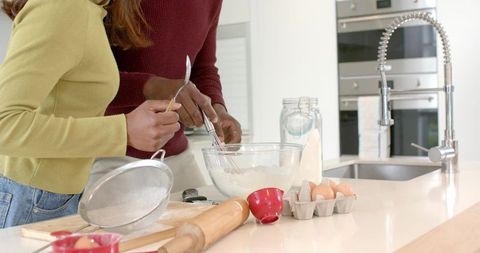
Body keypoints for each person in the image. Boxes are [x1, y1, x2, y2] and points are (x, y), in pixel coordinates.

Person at [0, 0, 180, 228]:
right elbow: (4, 125)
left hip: (53, 197)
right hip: (32, 198)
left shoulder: (88, 10)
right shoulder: (63, 7)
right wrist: (122, 131)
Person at [89, 0, 243, 192]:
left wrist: (217, 109)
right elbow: (84, 79)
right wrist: (155, 87)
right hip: (110, 155)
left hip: (178, 156)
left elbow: (203, 68)